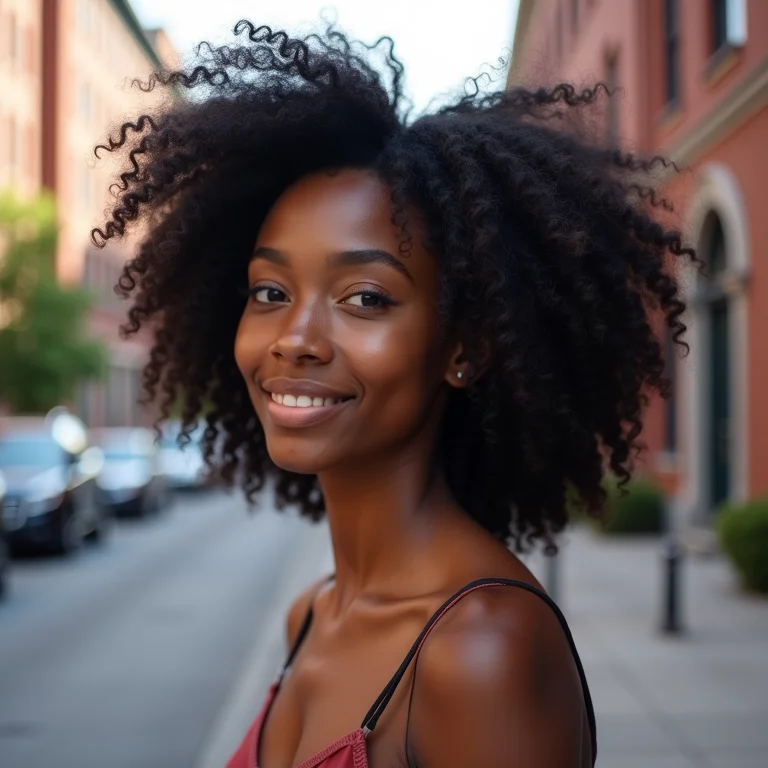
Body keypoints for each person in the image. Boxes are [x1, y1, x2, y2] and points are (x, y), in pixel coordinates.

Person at [93, 21, 695, 768]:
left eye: (366, 298)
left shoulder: (481, 652)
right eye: (270, 291)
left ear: (464, 350)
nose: (295, 339)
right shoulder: (311, 614)